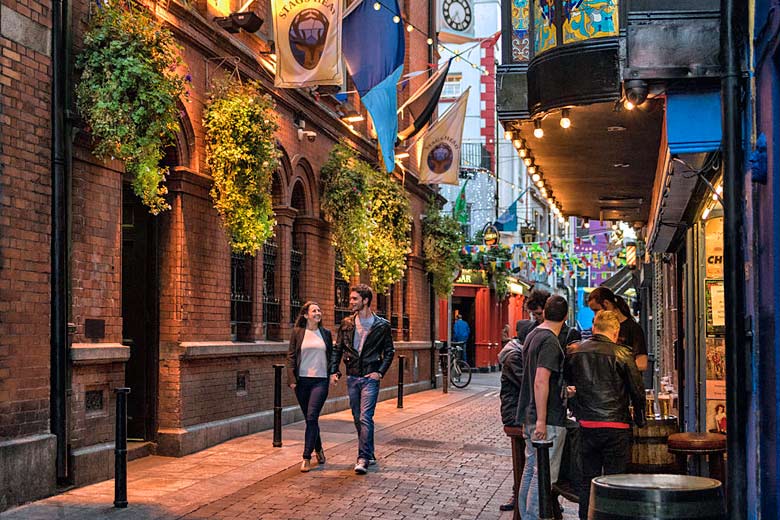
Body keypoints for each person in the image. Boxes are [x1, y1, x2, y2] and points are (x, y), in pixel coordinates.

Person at [564, 310, 646, 520]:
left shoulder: (574, 352)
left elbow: (566, 384)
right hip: (616, 426)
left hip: (586, 425)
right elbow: (637, 390)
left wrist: (575, 404)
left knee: (587, 481)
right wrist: (640, 418)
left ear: (594, 328)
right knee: (615, 481)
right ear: (616, 331)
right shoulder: (623, 354)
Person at [330, 284, 395, 475]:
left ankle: (363, 458)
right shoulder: (347, 323)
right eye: (351, 299)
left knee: (366, 417)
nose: (350, 302)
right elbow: (338, 349)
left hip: (370, 377)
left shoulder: (382, 325)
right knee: (358, 418)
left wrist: (380, 372)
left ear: (365, 300)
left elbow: (389, 352)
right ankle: (370, 453)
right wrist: (334, 371)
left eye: (354, 299)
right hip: (352, 376)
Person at [516, 295, 570, 520]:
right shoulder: (550, 341)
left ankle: (526, 515)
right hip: (546, 419)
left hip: (528, 413)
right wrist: (541, 420)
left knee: (530, 469)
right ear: (566, 317)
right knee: (544, 475)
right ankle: (533, 517)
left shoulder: (532, 335)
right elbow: (540, 380)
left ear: (544, 312)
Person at [286, 301, 334, 472]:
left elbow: (332, 356)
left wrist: (334, 373)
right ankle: (319, 449)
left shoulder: (326, 334)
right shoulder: (298, 333)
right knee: (310, 419)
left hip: (320, 381)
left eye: (319, 310)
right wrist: (291, 379)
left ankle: (306, 457)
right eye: (314, 311)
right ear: (306, 315)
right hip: (302, 382)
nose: (318, 313)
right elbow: (291, 356)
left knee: (312, 416)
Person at [498, 319, 534, 512]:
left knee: (531, 457)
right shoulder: (514, 356)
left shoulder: (518, 353)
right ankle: (521, 496)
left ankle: (536, 496)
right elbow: (526, 384)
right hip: (515, 414)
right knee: (528, 457)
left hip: (520, 411)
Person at [587, 287, 648, 371]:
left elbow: (642, 363)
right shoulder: (598, 325)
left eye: (596, 310)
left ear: (606, 303)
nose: (595, 315)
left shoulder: (633, 328)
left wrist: (616, 369)